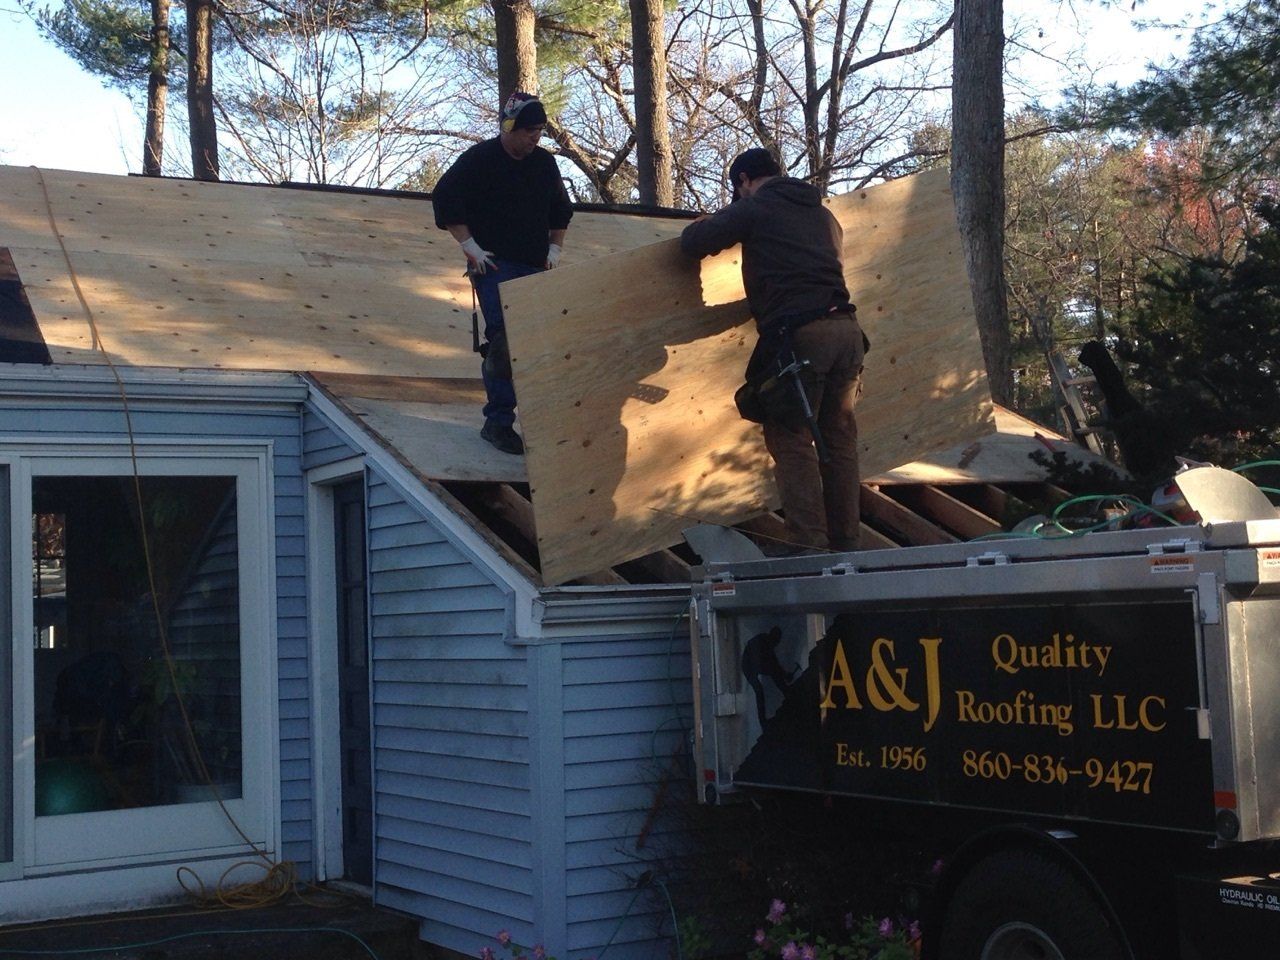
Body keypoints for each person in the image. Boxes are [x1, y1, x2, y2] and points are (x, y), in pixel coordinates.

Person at [680, 147, 866, 553]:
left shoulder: (758, 207)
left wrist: (704, 224)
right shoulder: (823, 214)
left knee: (792, 439)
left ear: (744, 180)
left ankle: (808, 547)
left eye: (738, 188)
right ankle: (847, 542)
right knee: (839, 440)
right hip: (848, 332)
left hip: (802, 338)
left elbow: (694, 243)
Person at [432, 92, 574, 455]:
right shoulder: (480, 160)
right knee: (504, 341)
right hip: (494, 264)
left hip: (534, 265)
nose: (534, 138)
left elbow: (561, 211)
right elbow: (445, 198)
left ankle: (540, 423)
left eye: (540, 132)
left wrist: (554, 249)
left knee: (535, 342)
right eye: (528, 131)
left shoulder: (544, 165)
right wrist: (470, 246)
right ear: (509, 127)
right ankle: (498, 423)